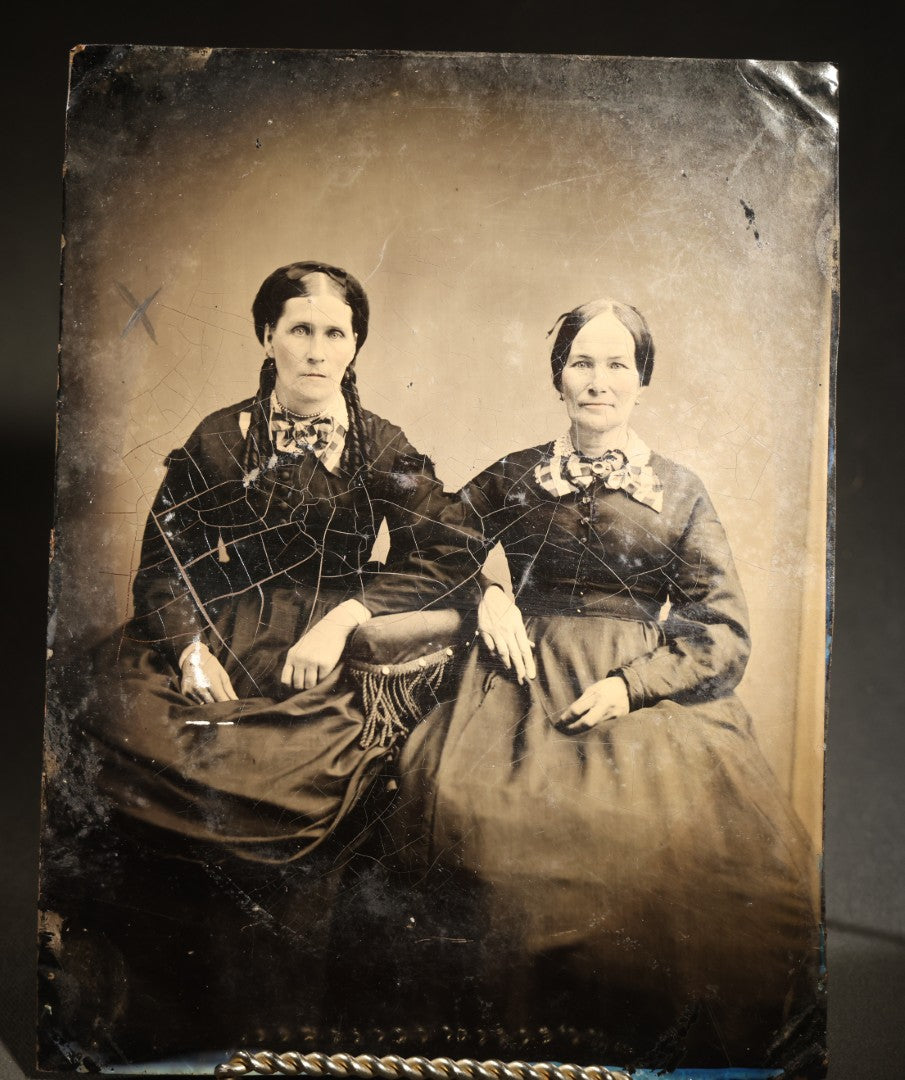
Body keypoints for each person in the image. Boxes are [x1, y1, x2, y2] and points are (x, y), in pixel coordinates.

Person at [41, 262, 476, 1065]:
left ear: (355, 346)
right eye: (300, 329)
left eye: (335, 333)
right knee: (130, 743)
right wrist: (190, 649)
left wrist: (348, 616)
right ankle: (165, 1015)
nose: (317, 350)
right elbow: (163, 566)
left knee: (286, 778)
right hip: (219, 634)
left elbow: (451, 551)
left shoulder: (379, 444)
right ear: (266, 336)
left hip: (322, 653)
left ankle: (274, 1025)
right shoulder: (219, 437)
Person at [385, 299, 823, 1069]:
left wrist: (632, 686)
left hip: (640, 689)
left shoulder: (679, 491)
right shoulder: (516, 474)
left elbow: (721, 630)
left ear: (640, 379)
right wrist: (487, 594)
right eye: (581, 362)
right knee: (473, 808)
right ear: (557, 376)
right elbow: (431, 546)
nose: (597, 380)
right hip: (519, 677)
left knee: (675, 836)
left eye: (616, 364)